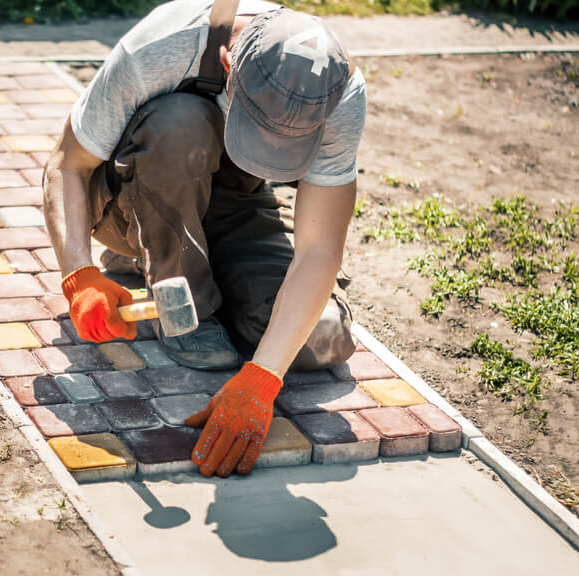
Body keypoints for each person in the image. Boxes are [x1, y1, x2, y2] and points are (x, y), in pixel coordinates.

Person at [42, 0, 366, 478]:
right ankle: (161, 266)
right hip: (136, 195)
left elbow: (319, 251)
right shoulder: (164, 45)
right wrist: (79, 274)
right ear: (229, 65)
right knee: (181, 121)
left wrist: (261, 379)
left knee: (322, 339)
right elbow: (66, 166)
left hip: (234, 202)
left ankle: (200, 266)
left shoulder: (336, 93)